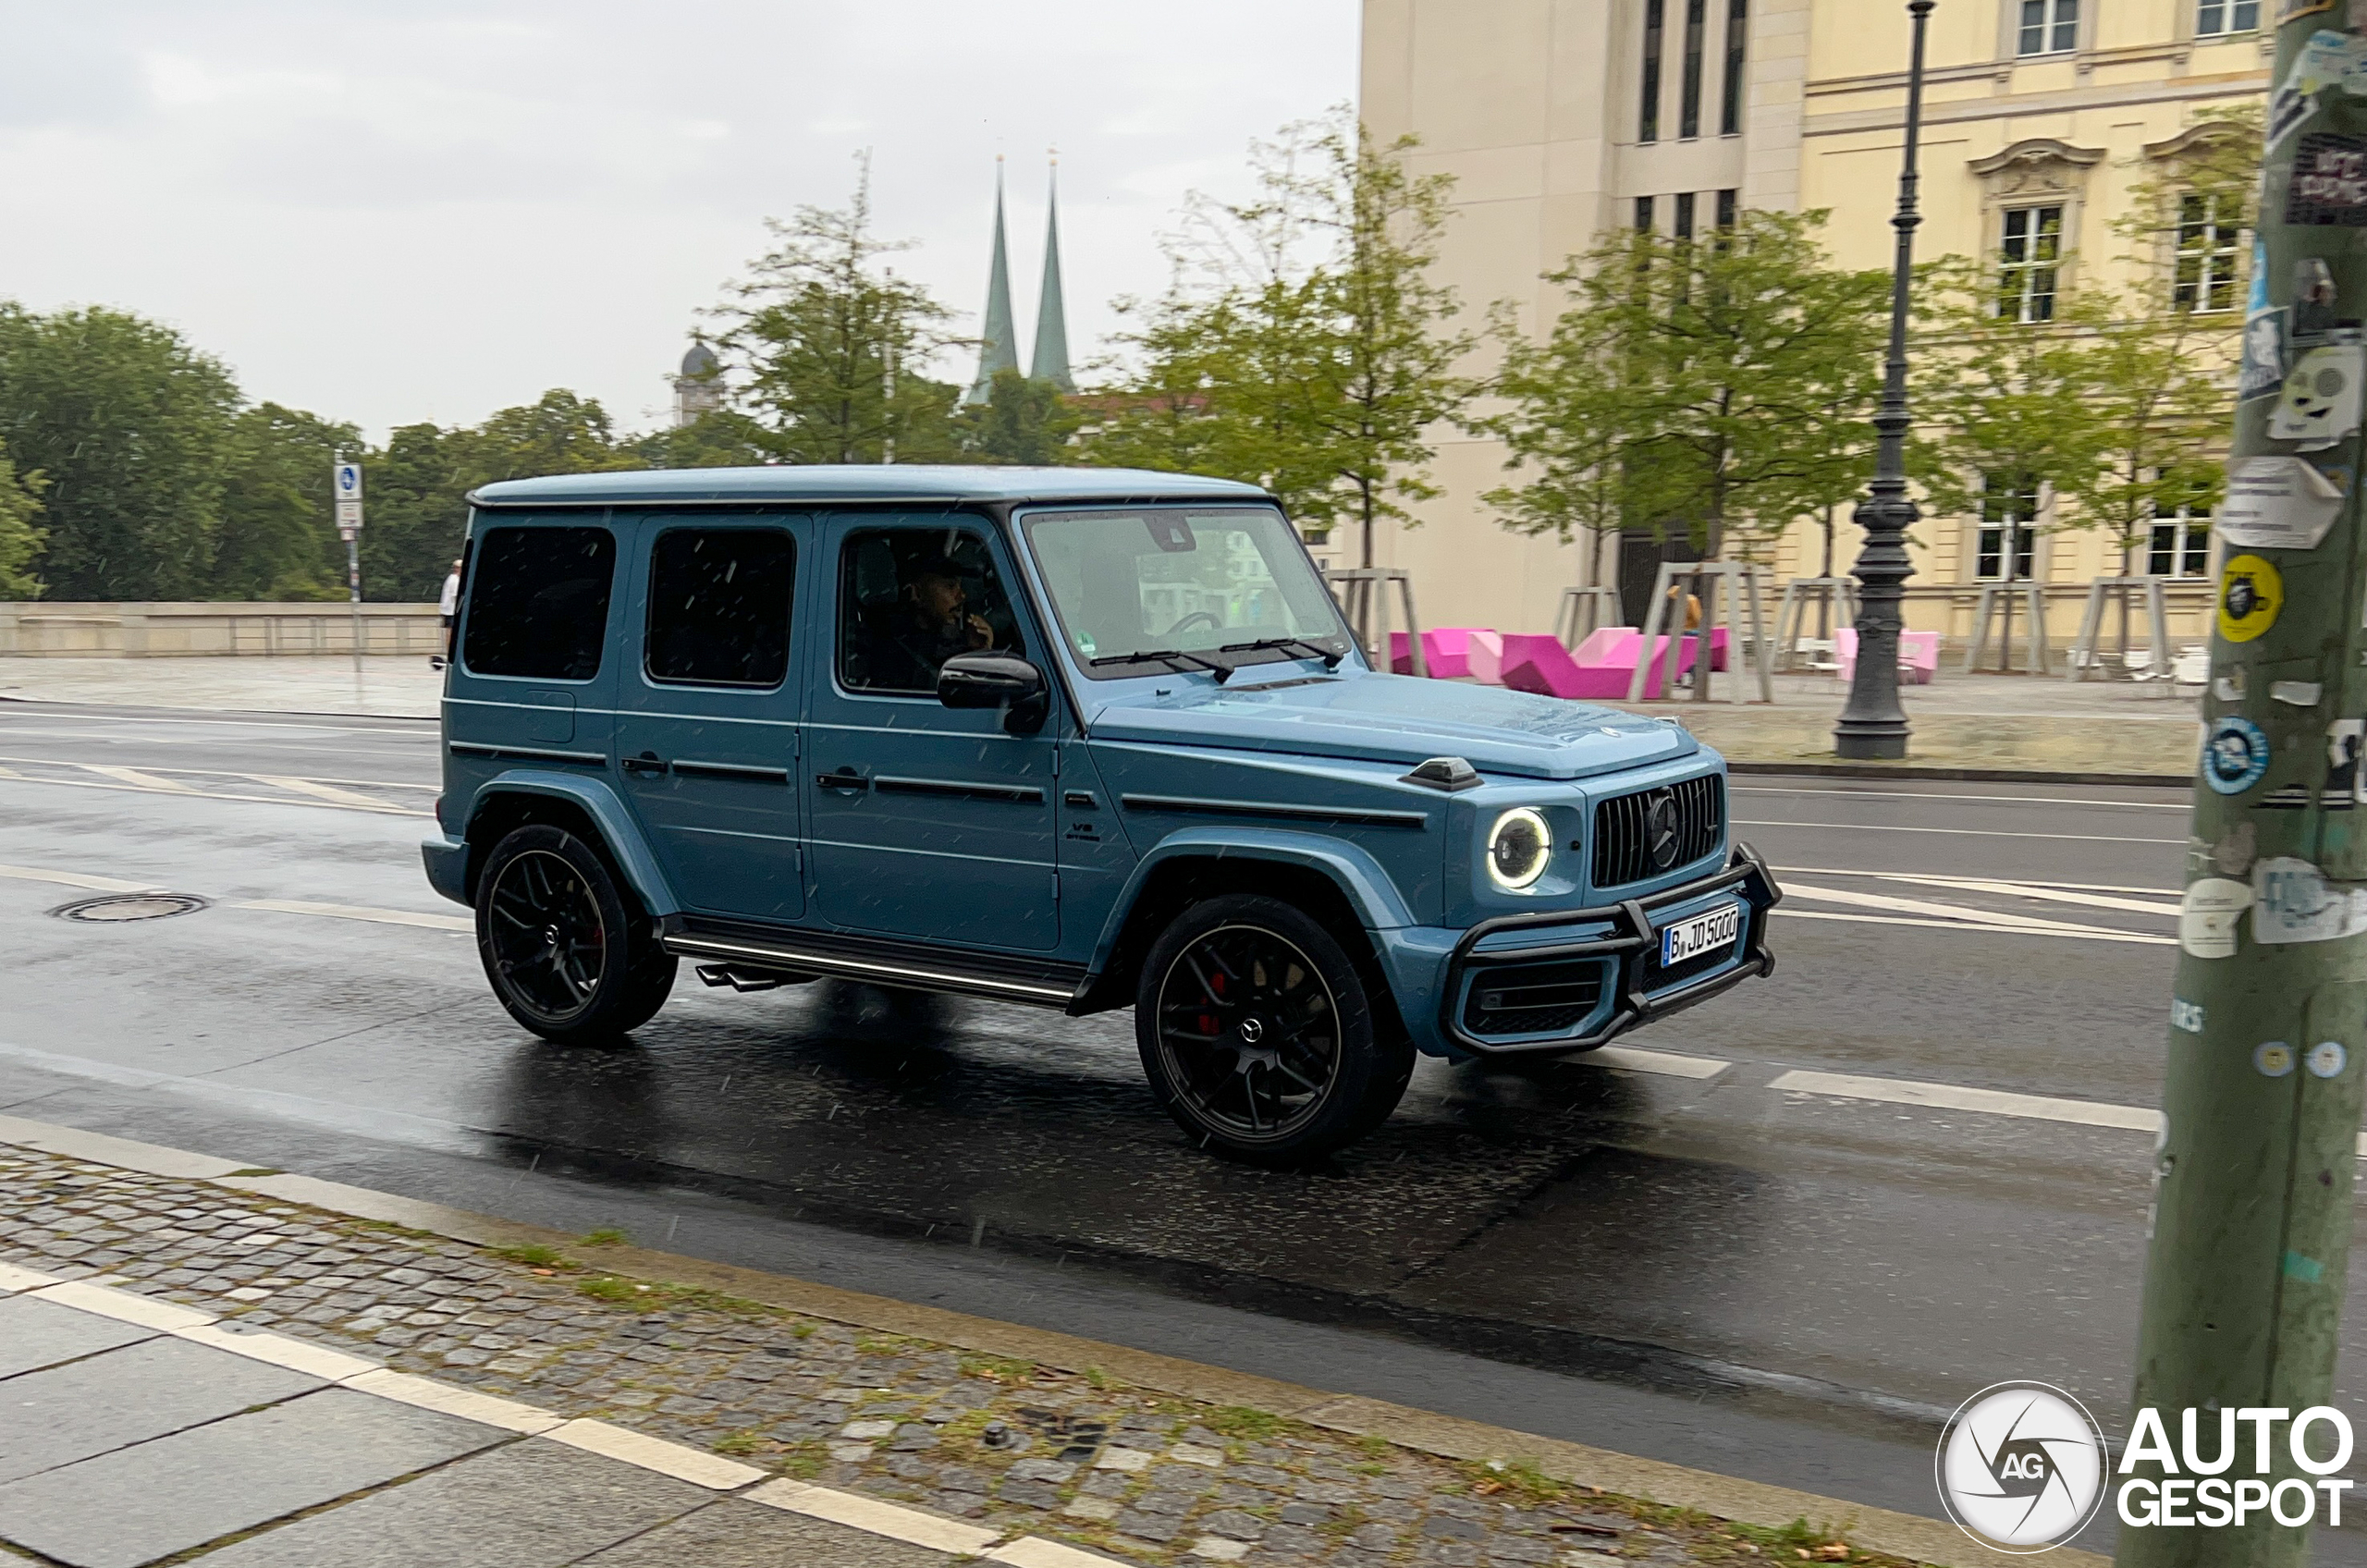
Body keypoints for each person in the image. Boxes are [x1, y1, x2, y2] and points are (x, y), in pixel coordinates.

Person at [857, 556, 997, 692]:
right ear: (917, 593)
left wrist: (980, 652)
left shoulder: (955, 641)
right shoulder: (887, 646)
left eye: (960, 586)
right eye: (950, 586)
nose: (962, 595)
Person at [434, 558, 461, 668]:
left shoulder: (452, 578)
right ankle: (451, 654)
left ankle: (451, 653)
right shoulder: (454, 580)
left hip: (449, 609)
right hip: (451, 610)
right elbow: (456, 596)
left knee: (451, 632)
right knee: (451, 632)